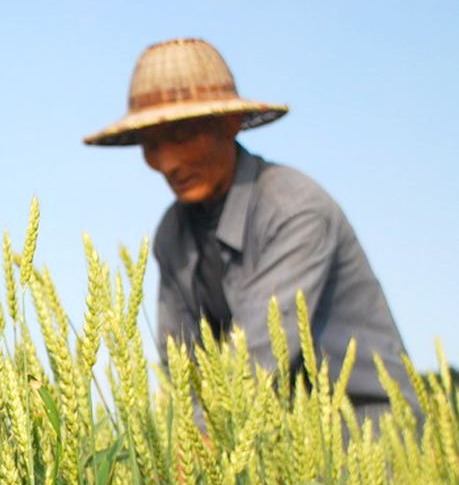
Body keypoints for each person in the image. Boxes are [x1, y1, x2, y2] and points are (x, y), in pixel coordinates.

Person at [83, 37, 417, 424]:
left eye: (181, 136)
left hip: (364, 428)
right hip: (266, 432)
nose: (169, 162)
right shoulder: (172, 233)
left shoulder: (294, 209)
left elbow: (258, 358)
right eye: (152, 145)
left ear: (230, 123)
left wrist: (203, 441)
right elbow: (180, 365)